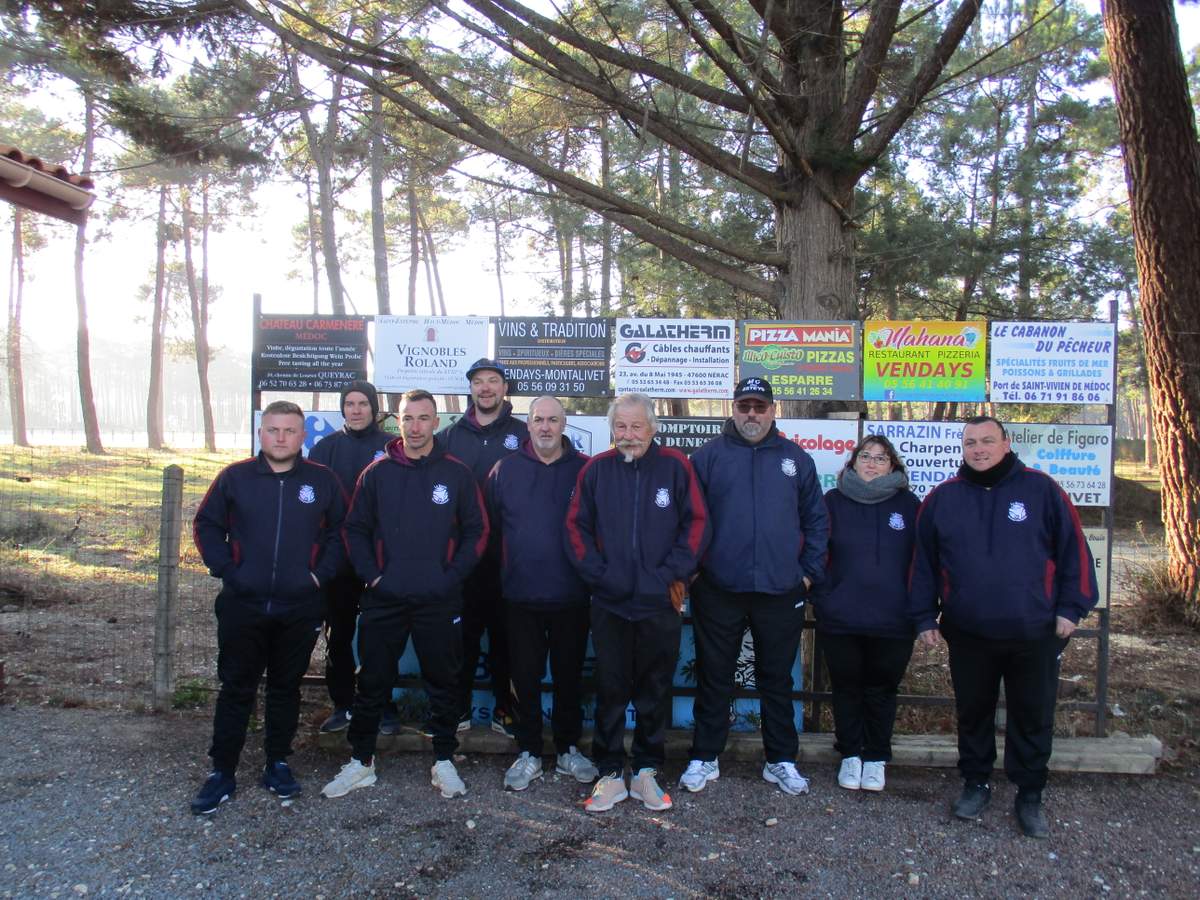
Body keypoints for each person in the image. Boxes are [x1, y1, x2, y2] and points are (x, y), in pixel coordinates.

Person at [910, 415, 1097, 838]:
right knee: (972, 713)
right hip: (969, 633)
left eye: (987, 441)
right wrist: (923, 617)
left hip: (1034, 632)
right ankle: (976, 783)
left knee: (1032, 715)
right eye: (971, 442)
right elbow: (922, 565)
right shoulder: (943, 497)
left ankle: (1029, 793)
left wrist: (1072, 608)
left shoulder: (1042, 490)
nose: (979, 449)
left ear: (1006, 443)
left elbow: (1075, 555)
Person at [321, 390, 488, 800]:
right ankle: (361, 762)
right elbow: (354, 529)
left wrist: (451, 577)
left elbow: (477, 531)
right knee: (374, 679)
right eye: (408, 419)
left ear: (436, 423)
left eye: (423, 418)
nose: (415, 427)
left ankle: (444, 760)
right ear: (397, 422)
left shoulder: (456, 473)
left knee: (443, 680)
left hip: (438, 597)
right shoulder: (376, 473)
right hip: (386, 595)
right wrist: (374, 578)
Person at [190, 400, 347, 814]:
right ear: (262, 433)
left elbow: (340, 533)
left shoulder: (322, 481)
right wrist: (229, 570)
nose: (281, 438)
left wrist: (317, 577)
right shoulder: (236, 478)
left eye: (290, 431)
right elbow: (206, 524)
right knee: (237, 688)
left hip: (299, 605)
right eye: (273, 430)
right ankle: (222, 771)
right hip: (244, 603)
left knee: (285, 687)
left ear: (302, 436)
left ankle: (277, 762)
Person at [680, 376, 829, 797]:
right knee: (715, 675)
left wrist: (806, 572)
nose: (751, 414)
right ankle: (704, 756)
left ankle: (780, 759)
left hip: (781, 589)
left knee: (776, 678)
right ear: (733, 408)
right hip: (719, 588)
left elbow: (816, 520)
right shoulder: (708, 456)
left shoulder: (795, 459)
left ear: (772, 410)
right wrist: (694, 572)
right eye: (744, 405)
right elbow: (689, 518)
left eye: (759, 407)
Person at [564, 392, 710, 812]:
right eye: (621, 427)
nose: (628, 435)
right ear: (612, 429)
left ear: (653, 427)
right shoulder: (595, 470)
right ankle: (610, 773)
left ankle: (647, 769)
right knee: (610, 688)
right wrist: (602, 576)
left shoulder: (676, 466)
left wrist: (668, 575)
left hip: (660, 602)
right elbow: (576, 530)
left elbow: (697, 525)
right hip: (609, 603)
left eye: (636, 426)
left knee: (654, 689)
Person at [486, 396, 598, 791]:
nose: (546, 427)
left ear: (564, 424)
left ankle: (568, 749)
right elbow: (492, 531)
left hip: (572, 596)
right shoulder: (506, 470)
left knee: (569, 677)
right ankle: (530, 750)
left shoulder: (587, 471)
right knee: (526, 678)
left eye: (553, 419)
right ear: (528, 426)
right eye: (538, 420)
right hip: (520, 598)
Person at [811, 434, 919, 793]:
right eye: (866, 456)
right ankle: (850, 754)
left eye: (881, 458)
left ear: (893, 466)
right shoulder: (833, 502)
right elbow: (817, 550)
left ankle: (875, 757)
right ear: (853, 462)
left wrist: (917, 606)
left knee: (882, 689)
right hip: (841, 617)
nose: (872, 463)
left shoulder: (908, 505)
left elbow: (922, 562)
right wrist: (824, 596)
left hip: (893, 619)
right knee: (846, 688)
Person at [439, 358, 528, 737]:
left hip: (510, 557)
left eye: (493, 380)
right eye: (479, 382)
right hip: (462, 558)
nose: (486, 388)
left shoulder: (525, 433)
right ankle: (457, 708)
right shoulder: (449, 436)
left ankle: (504, 709)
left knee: (508, 637)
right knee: (461, 636)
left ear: (504, 388)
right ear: (471, 389)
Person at [306, 380, 395, 735]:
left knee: (380, 637)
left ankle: (384, 707)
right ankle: (342, 703)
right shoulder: (325, 448)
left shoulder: (391, 447)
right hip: (337, 561)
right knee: (339, 635)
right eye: (349, 404)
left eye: (363, 404)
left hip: (377, 560)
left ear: (374, 408)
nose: (356, 410)